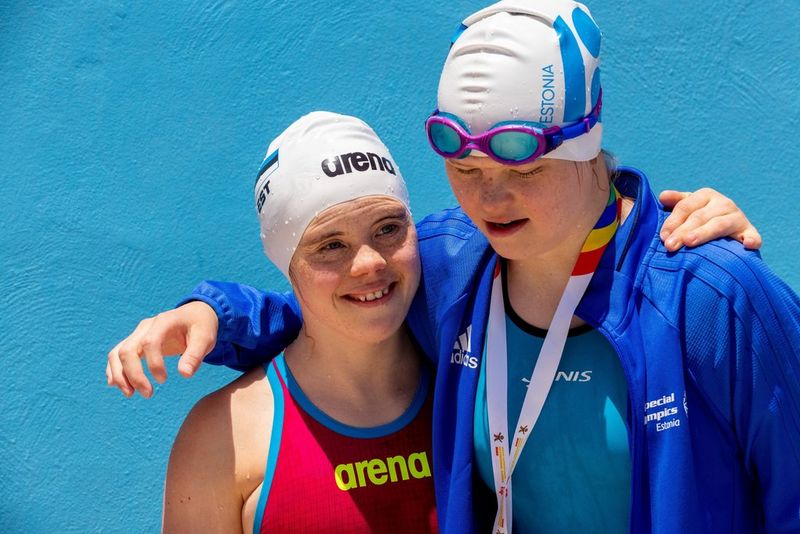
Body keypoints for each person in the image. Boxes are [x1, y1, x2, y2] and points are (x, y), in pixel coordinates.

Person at [106, 1, 798, 533]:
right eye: (464, 169)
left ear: (586, 144)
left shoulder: (712, 296)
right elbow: (339, 308)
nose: (489, 199)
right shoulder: (452, 263)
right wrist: (213, 314)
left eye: (520, 168)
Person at [161, 112, 437, 533]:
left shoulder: (474, 384)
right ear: (287, 264)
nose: (369, 263)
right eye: (331, 245)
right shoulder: (226, 437)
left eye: (387, 228)